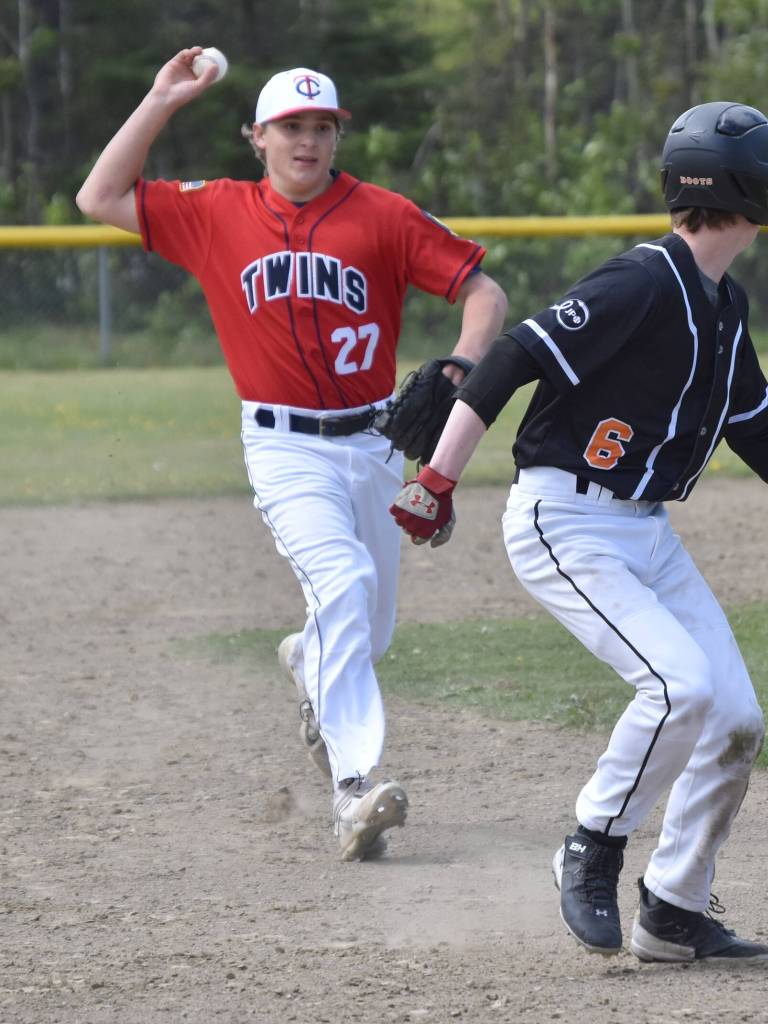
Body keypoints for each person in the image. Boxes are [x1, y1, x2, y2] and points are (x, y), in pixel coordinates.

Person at [390, 101, 768, 960]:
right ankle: (591, 843)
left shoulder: (723, 301)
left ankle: (673, 910)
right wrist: (435, 479)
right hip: (564, 520)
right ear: (751, 192)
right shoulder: (639, 282)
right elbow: (512, 357)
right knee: (679, 688)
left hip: (644, 533)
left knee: (735, 718)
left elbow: (759, 432)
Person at [77, 49, 507, 862]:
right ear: (257, 138)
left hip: (376, 443)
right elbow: (97, 195)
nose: (307, 141)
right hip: (283, 448)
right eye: (289, 128)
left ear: (336, 137)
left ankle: (309, 658)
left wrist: (463, 362)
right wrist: (161, 99)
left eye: (321, 127)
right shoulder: (214, 212)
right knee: (340, 583)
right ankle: (354, 790)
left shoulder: (381, 213)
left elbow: (483, 292)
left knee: (364, 634)